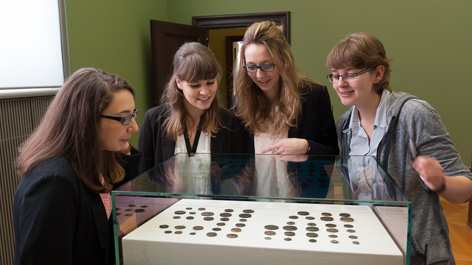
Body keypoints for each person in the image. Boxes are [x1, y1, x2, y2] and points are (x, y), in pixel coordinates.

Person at [326, 32, 472, 265]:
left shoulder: (414, 114)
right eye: (335, 76)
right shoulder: (345, 125)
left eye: (351, 74)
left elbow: (465, 188)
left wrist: (441, 181)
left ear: (378, 73)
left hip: (417, 255)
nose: (340, 83)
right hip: (367, 247)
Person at [13, 68, 141, 265]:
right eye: (124, 118)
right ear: (87, 119)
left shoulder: (97, 160)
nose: (134, 126)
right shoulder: (53, 182)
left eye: (133, 114)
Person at [138, 42, 246, 193]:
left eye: (210, 82)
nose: (205, 92)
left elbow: (238, 178)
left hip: (215, 212)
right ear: (179, 83)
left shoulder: (231, 122)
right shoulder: (153, 120)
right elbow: (142, 178)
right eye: (195, 85)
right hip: (166, 213)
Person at [233, 21, 339, 157]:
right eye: (251, 66)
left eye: (267, 65)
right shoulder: (240, 102)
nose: (259, 75)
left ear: (284, 60)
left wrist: (307, 147)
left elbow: (333, 153)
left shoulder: (315, 95)